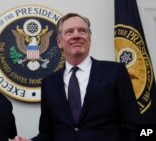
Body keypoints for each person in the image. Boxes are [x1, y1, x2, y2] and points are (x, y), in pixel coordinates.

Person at [18, 13, 141, 141]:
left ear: (89, 39)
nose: (76, 35)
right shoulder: (49, 83)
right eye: (69, 32)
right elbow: (47, 133)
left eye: (82, 31)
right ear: (59, 42)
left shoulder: (115, 72)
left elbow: (132, 124)